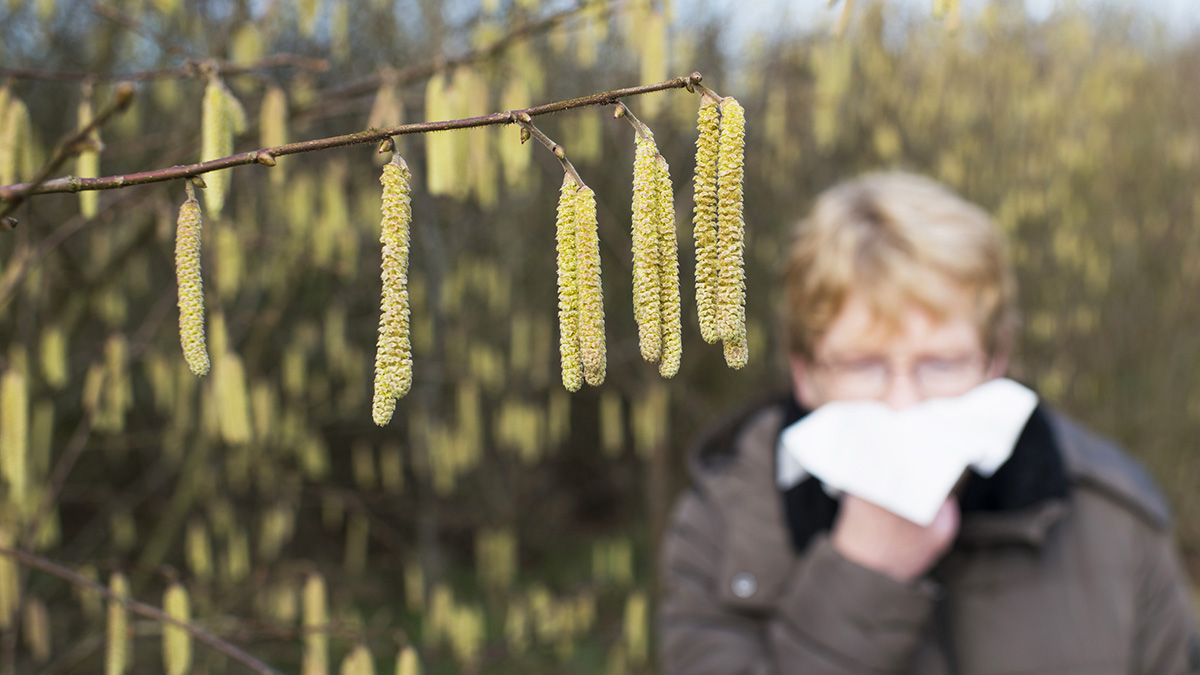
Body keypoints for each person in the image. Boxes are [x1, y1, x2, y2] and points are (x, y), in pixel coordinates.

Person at [657, 172, 1200, 674]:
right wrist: (860, 579)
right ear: (805, 373)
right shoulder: (724, 525)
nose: (903, 404)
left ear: (995, 361)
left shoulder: (1113, 519)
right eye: (864, 365)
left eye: (939, 364)